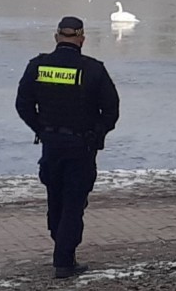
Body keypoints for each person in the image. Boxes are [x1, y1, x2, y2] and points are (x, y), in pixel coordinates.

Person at [15, 16, 120, 278]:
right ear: (82, 39)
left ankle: (62, 246)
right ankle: (64, 260)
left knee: (56, 199)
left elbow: (23, 104)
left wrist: (41, 129)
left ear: (56, 38)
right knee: (73, 203)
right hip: (81, 146)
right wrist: (96, 134)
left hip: (51, 145)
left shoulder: (38, 66)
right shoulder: (93, 69)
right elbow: (111, 110)